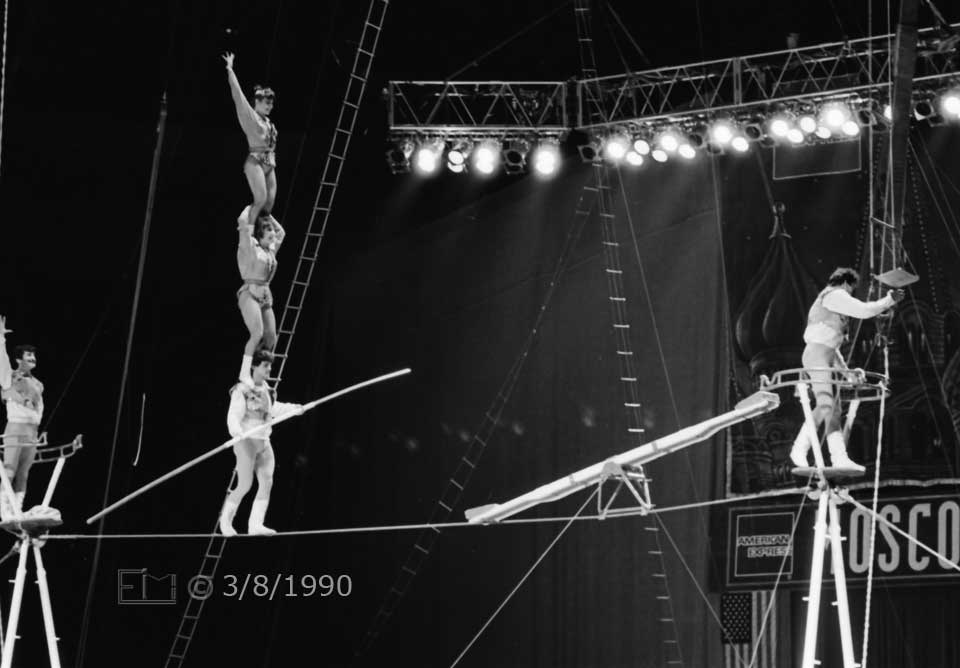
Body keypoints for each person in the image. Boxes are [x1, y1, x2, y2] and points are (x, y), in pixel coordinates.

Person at [789, 267, 904, 471]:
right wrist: (889, 300)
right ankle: (838, 457)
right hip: (817, 356)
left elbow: (833, 350)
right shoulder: (835, 294)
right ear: (846, 283)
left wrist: (847, 373)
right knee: (830, 407)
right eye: (851, 290)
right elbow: (864, 311)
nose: (850, 295)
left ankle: (799, 449)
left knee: (827, 408)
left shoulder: (832, 303)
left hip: (823, 356)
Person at [219, 350, 302, 536]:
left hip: (264, 443)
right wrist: (237, 433)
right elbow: (233, 415)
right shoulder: (242, 390)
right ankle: (225, 522)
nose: (269, 369)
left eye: (270, 366)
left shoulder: (267, 390)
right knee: (245, 485)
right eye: (265, 366)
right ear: (254, 366)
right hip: (246, 442)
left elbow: (273, 409)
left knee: (267, 482)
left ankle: (255, 524)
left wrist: (294, 409)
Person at [223, 52, 278, 229]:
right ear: (257, 102)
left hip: (270, 162)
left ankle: (262, 236)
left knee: (269, 204)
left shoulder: (269, 122)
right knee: (260, 199)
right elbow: (238, 96)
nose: (269, 106)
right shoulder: (251, 117)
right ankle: (248, 232)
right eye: (266, 103)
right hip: (255, 161)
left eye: (271, 104)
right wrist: (230, 70)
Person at [0, 316, 44, 519]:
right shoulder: (11, 377)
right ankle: (4, 510)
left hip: (32, 431)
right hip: (16, 428)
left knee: (24, 474)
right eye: (28, 356)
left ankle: (17, 509)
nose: (32, 359)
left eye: (33, 356)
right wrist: (1, 340)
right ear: (19, 359)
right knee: (9, 471)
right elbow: (2, 363)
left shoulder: (38, 384)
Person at [236, 206, 285, 385]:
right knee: (257, 333)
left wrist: (267, 215)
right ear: (260, 235)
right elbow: (242, 223)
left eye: (271, 229)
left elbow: (282, 232)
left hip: (265, 295)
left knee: (271, 336)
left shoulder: (270, 250)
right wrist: (253, 207)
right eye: (267, 230)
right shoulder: (251, 249)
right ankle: (244, 373)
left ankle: (260, 370)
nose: (272, 232)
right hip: (250, 293)